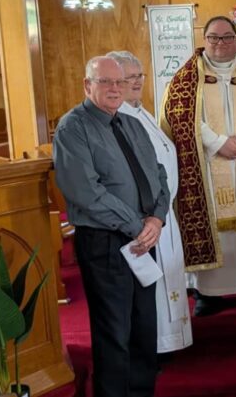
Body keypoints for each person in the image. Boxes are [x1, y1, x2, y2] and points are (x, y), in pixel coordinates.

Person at [53, 56, 170, 397]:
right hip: (106, 242)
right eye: (105, 82)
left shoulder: (131, 124)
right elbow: (85, 192)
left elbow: (158, 175)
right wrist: (138, 226)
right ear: (87, 85)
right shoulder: (73, 128)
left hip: (143, 238)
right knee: (114, 332)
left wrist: (157, 218)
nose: (115, 88)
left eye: (119, 82)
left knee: (144, 328)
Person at [161, 16, 236, 317]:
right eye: (214, 37)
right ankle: (209, 292)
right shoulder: (187, 77)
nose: (221, 43)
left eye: (227, 37)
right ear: (204, 40)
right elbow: (178, 115)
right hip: (207, 162)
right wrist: (217, 143)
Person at [107, 51, 193, 355]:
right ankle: (153, 347)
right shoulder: (119, 117)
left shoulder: (140, 112)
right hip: (145, 218)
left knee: (169, 277)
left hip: (162, 214)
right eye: (128, 77)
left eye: (139, 75)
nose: (136, 82)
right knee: (150, 286)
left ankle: (171, 341)